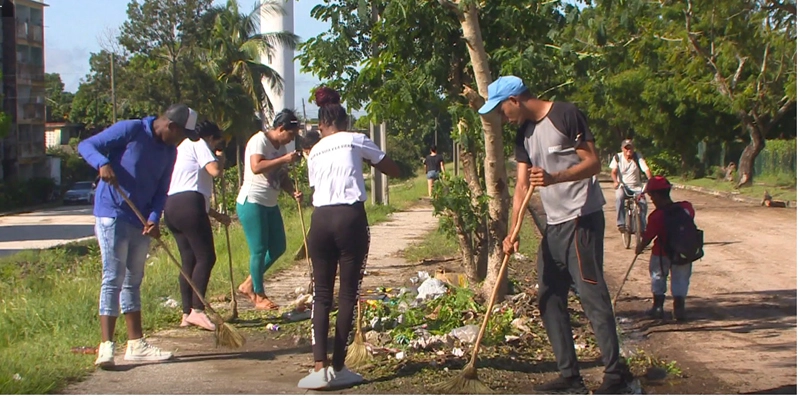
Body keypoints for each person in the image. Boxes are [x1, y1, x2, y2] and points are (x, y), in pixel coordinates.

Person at [482, 75, 632, 394]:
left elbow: (593, 163)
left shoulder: (565, 114)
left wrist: (555, 177)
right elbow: (522, 185)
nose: (502, 118)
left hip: (581, 219)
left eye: (501, 110)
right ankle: (570, 377)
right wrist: (513, 232)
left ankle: (615, 375)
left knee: (591, 296)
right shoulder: (523, 133)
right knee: (549, 297)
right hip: (554, 224)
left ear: (515, 100)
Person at [77, 103, 198, 369]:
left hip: (140, 220)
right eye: (181, 134)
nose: (181, 140)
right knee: (113, 277)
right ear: (170, 126)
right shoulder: (131, 130)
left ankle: (136, 345)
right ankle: (107, 346)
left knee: (133, 281)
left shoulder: (170, 152)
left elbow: (162, 191)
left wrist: (154, 218)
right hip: (113, 213)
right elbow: (86, 145)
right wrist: (102, 163)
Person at [297, 86, 400, 390]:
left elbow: (318, 184)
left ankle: (319, 367)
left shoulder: (315, 150)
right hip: (349, 218)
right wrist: (370, 161)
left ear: (321, 125)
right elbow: (390, 168)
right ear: (345, 121)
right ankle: (340, 367)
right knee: (347, 293)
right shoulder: (355, 139)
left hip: (319, 221)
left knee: (322, 294)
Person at [164, 120, 232, 331]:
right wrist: (220, 158)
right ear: (211, 138)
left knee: (189, 260)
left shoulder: (182, 148)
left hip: (172, 206)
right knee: (206, 257)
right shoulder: (199, 143)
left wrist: (216, 215)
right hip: (189, 205)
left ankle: (186, 313)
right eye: (216, 143)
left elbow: (191, 188)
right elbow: (215, 170)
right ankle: (197, 309)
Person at [235, 109, 303, 310]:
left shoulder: (282, 148)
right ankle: (259, 295)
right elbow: (256, 167)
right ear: (281, 128)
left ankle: (248, 284)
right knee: (259, 249)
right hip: (253, 200)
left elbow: (281, 176)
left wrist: (292, 192)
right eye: (290, 134)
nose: (291, 139)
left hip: (270, 202)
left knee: (278, 247)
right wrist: (284, 160)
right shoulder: (260, 140)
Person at [635, 176, 696, 322]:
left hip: (661, 253)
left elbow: (648, 237)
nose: (652, 199)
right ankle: (679, 309)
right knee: (681, 279)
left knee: (658, 277)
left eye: (651, 196)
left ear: (656, 195)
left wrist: (639, 248)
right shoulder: (687, 207)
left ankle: (658, 308)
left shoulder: (656, 216)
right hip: (684, 252)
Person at [610, 139, 652, 234]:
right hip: (623, 186)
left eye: (631, 148)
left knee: (643, 203)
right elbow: (613, 172)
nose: (629, 150)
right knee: (619, 197)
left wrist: (650, 180)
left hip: (637, 187)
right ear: (622, 149)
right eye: (626, 148)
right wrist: (616, 181)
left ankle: (642, 227)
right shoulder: (617, 157)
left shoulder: (637, 156)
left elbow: (646, 169)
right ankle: (621, 223)